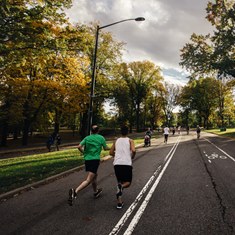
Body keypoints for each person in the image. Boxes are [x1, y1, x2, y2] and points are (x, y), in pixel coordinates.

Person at [68, 125, 110, 206]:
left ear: (91, 131)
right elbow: (105, 148)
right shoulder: (101, 138)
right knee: (89, 179)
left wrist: (84, 152)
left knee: (94, 176)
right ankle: (75, 192)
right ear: (98, 130)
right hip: (95, 160)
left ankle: (95, 192)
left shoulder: (87, 138)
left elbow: (79, 146)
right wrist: (113, 148)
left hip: (87, 160)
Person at [109, 125, 136, 209]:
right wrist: (132, 156)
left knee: (119, 182)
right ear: (127, 132)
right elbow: (134, 150)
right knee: (127, 183)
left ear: (120, 132)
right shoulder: (130, 140)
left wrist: (115, 155)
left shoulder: (116, 141)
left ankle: (119, 203)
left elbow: (110, 152)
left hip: (117, 164)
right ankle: (122, 187)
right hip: (126, 163)